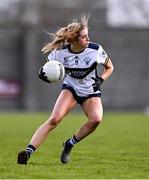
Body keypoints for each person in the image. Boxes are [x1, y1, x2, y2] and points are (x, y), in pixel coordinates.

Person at [17, 15, 114, 165]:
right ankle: (28, 152)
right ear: (74, 39)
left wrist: (101, 79)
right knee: (54, 120)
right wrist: (42, 75)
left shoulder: (95, 50)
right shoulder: (60, 53)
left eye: (88, 35)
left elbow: (110, 67)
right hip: (71, 88)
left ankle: (69, 144)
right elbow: (46, 69)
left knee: (96, 120)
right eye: (83, 37)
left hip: (91, 91)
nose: (88, 39)